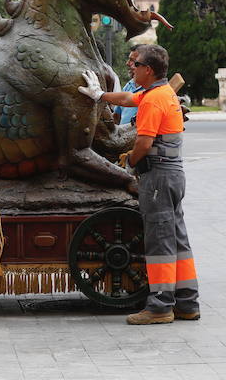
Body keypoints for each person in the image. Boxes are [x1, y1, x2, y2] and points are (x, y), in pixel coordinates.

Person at [78, 44, 199, 325]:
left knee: (159, 242)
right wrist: (100, 95)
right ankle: (187, 302)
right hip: (172, 176)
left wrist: (129, 162)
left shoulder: (154, 100)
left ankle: (160, 306)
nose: (132, 66)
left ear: (149, 69)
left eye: (137, 63)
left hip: (157, 176)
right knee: (178, 239)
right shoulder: (158, 93)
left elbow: (143, 143)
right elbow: (128, 98)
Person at [113, 46, 140, 125]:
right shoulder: (129, 85)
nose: (127, 63)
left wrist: (99, 95)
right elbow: (116, 116)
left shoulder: (151, 89)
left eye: (132, 60)